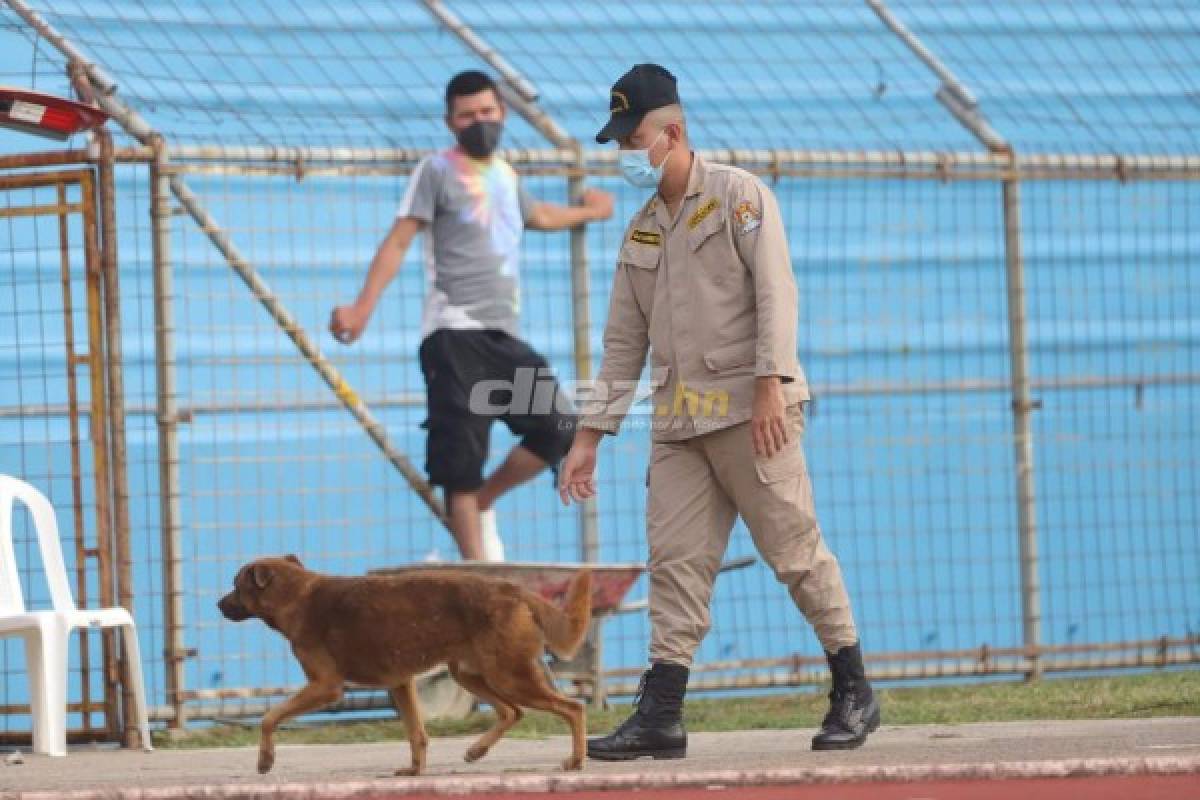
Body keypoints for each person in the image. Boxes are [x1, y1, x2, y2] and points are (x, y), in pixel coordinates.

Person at [558, 64, 880, 759]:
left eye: (634, 137)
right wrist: (589, 436)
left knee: (794, 553)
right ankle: (662, 716)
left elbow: (776, 293)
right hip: (679, 426)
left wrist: (772, 383)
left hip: (751, 412)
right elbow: (621, 344)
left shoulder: (739, 196)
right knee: (675, 564)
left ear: (672, 132)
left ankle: (853, 689)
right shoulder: (641, 232)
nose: (625, 154)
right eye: (617, 142)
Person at [331, 70, 613, 561]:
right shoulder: (436, 170)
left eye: (486, 112)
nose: (479, 122)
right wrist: (361, 308)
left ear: (501, 112)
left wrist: (591, 211)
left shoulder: (506, 174)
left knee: (560, 426)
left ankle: (483, 503)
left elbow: (539, 216)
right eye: (467, 115)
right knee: (459, 461)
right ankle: (477, 574)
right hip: (452, 335)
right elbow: (400, 239)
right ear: (450, 122)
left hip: (504, 337)